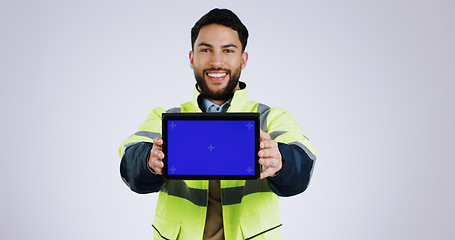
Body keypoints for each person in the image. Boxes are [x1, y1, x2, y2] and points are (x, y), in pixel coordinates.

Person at [119, 8, 317, 240]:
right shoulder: (165, 119)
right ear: (192, 58)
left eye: (228, 50)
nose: (216, 61)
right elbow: (129, 160)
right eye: (205, 49)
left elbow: (303, 163)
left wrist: (282, 161)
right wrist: (148, 161)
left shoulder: (271, 118)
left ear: (243, 60)